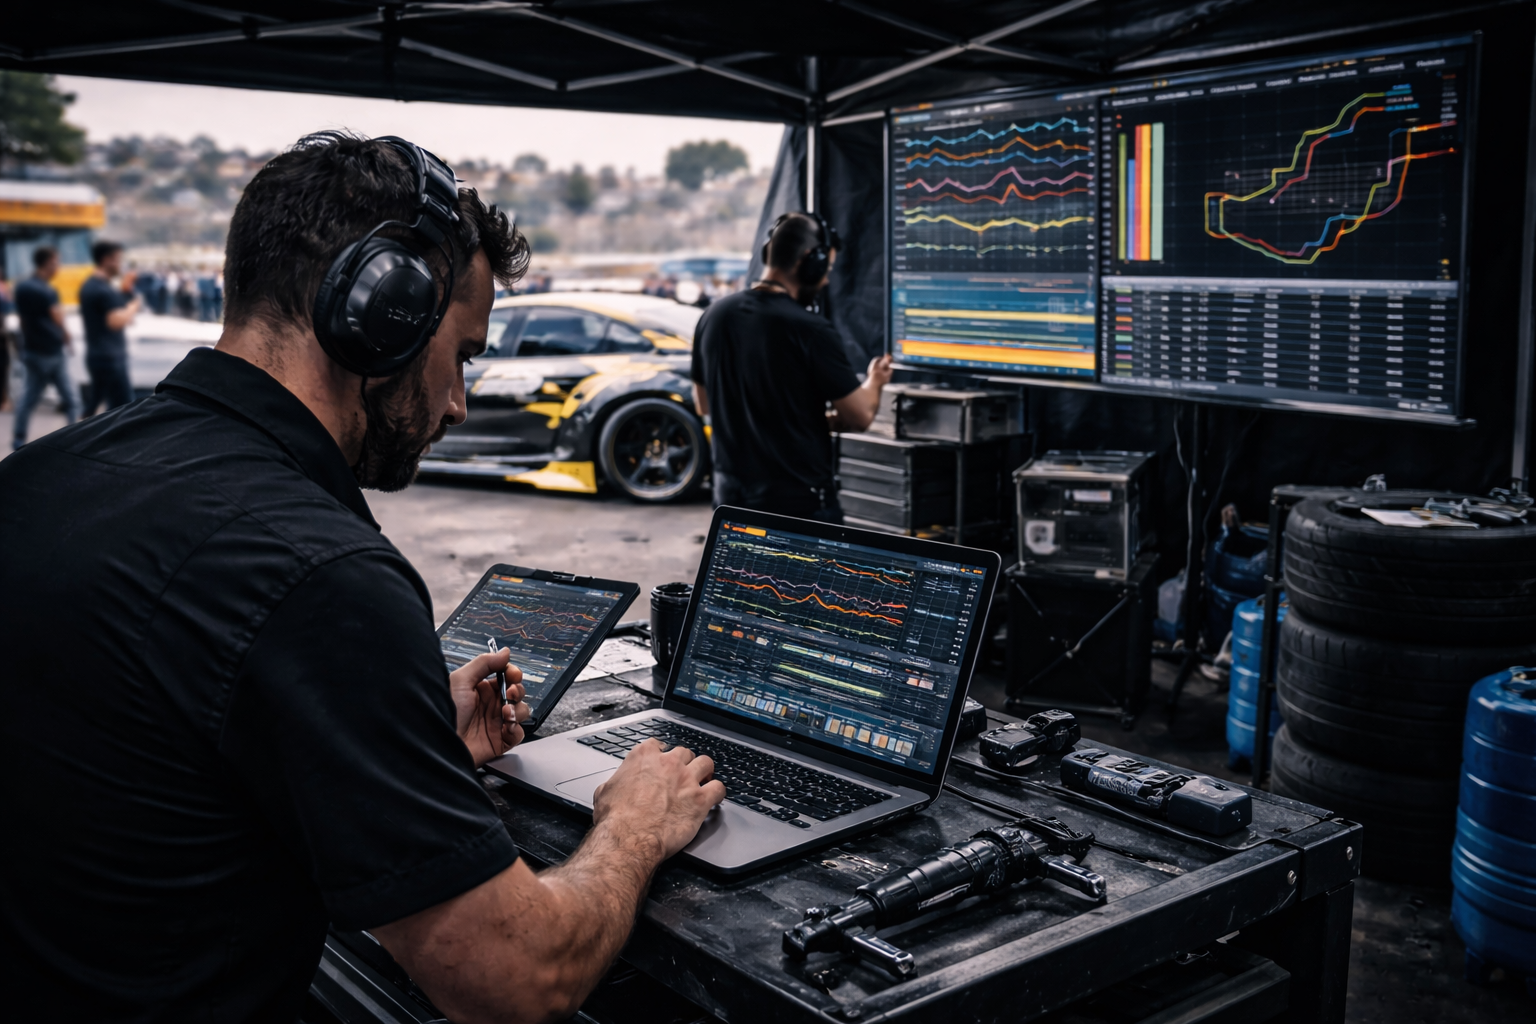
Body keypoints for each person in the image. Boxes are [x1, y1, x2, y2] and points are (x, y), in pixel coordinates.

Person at [0, 132, 724, 1024]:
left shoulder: (41, 473)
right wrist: (634, 826)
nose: (458, 404)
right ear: (383, 313)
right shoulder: (320, 574)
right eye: (462, 355)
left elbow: (137, 766)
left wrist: (385, 742)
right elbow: (514, 980)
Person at [691, 211, 893, 521]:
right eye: (827, 269)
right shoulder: (810, 329)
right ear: (810, 261)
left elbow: (704, 404)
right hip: (798, 511)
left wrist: (805, 421)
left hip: (731, 505)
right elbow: (860, 415)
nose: (826, 280)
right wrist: (875, 380)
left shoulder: (713, 316)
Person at [11, 245, 80, 449]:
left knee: (28, 398)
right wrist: (67, 339)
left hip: (31, 350)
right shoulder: (48, 290)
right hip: (51, 351)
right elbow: (57, 318)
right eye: (56, 262)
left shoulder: (22, 287)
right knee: (72, 400)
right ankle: (75, 442)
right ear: (48, 263)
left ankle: (18, 438)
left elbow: (22, 319)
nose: (58, 266)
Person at [78, 240, 143, 415]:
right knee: (123, 409)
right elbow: (114, 322)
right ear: (106, 260)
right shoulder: (102, 290)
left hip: (101, 355)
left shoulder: (92, 285)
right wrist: (133, 307)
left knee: (101, 409)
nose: (120, 264)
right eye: (118, 259)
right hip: (109, 357)